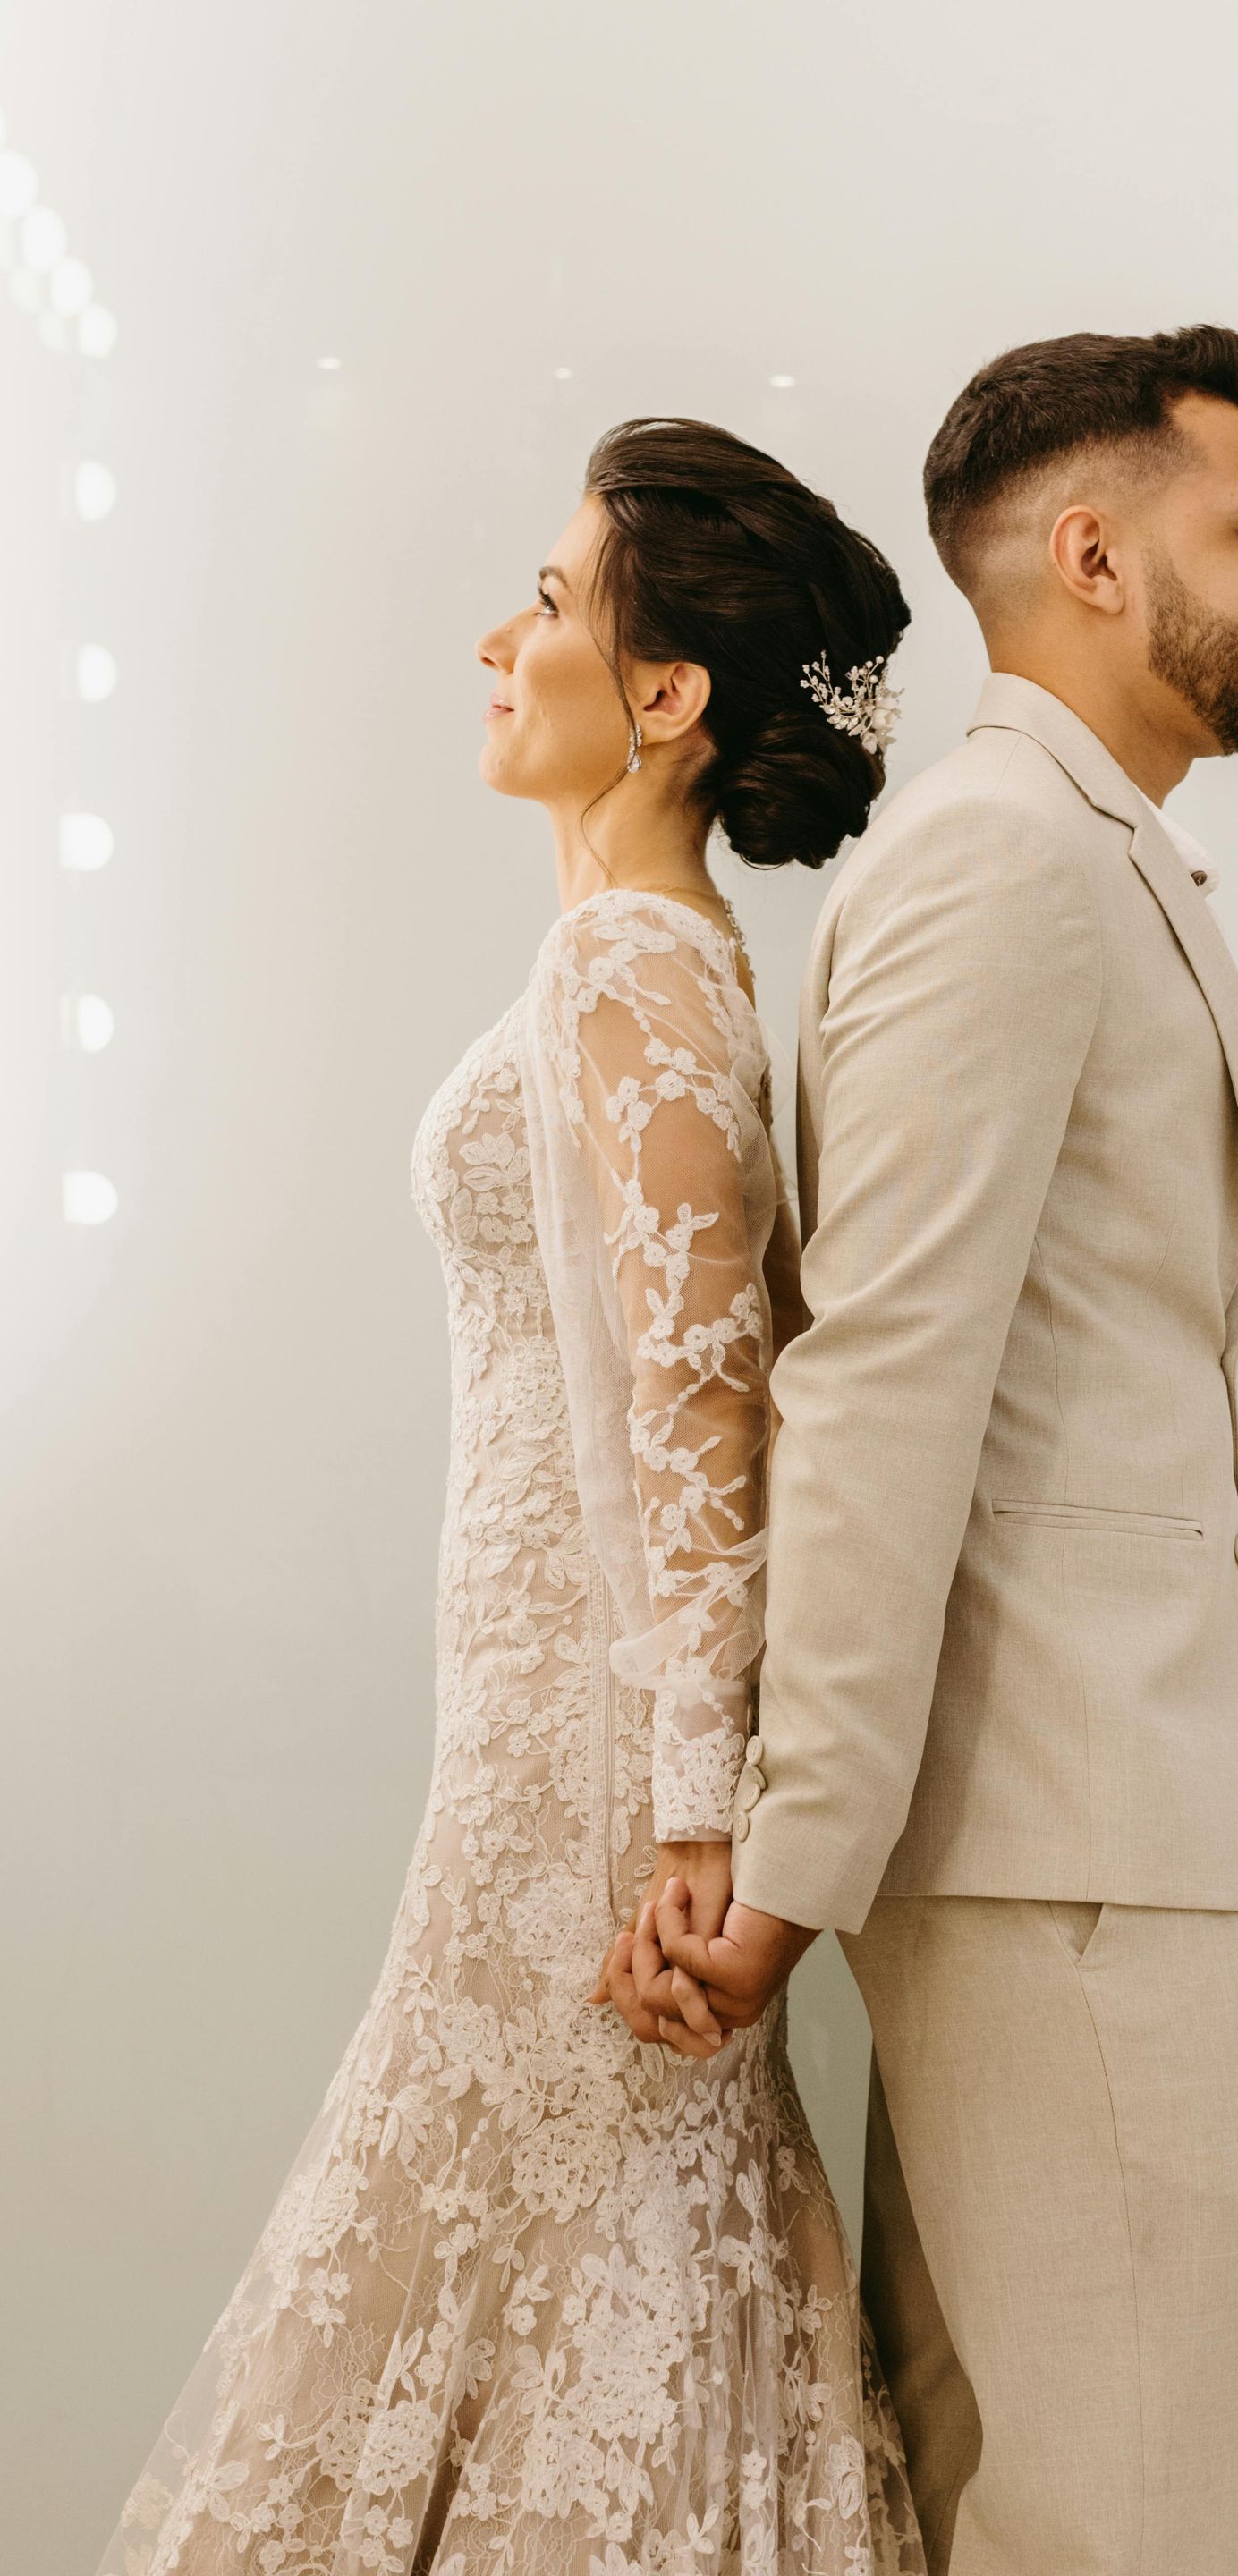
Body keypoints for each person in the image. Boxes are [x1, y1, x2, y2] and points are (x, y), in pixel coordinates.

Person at [100, 419, 924, 2576]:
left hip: (588, 1780)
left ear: (667, 699)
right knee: (563, 2243)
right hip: (542, 1734)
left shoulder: (630, 968)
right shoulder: (641, 961)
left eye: (546, 601)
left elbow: (702, 1412)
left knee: (566, 2228)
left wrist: (686, 1817)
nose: (498, 635)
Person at [628, 329, 1238, 2575]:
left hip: (1077, 1837)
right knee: (1132, 2528)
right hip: (1060, 1848)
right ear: (1098, 555)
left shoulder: (1079, 855)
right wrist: (797, 1848)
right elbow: (882, 1370)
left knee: (1049, 2520)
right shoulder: (1009, 859)